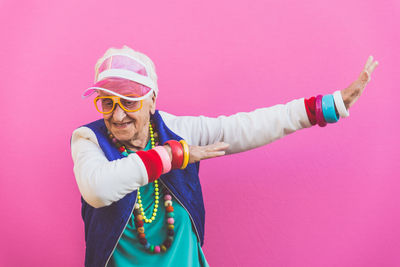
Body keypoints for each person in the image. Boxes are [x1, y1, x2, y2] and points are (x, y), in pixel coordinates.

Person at [70, 45, 378, 267]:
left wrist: (328, 106)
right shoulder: (88, 139)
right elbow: (97, 189)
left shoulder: (177, 129)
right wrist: (172, 156)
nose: (119, 114)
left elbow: (248, 126)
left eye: (130, 101)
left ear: (152, 101)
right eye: (107, 102)